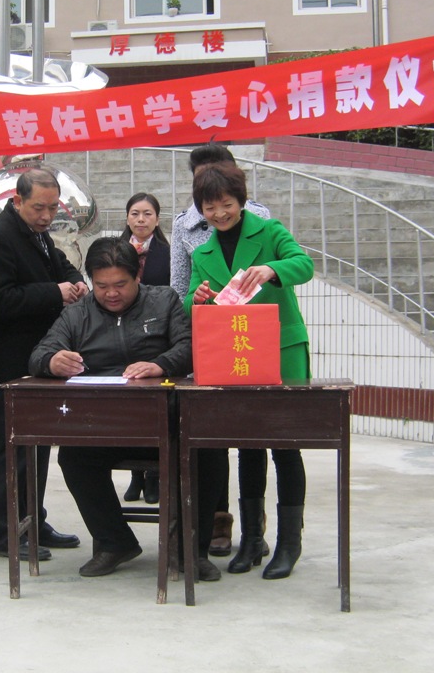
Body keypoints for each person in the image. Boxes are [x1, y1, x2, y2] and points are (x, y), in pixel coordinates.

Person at [29, 237, 227, 581]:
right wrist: (52, 361)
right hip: (106, 426)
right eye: (101, 286)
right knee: (73, 457)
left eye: (120, 284)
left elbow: (189, 346)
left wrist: (160, 364)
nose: (111, 293)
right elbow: (39, 354)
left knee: (209, 450)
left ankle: (192, 551)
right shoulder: (77, 314)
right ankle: (114, 542)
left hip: (167, 422)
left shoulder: (164, 300)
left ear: (137, 276)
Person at [185, 163, 314, 579]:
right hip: (236, 354)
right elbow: (189, 304)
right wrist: (198, 298)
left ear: (240, 200)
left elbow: (305, 265)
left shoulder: (270, 232)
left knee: (285, 445)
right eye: (210, 207)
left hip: (280, 350)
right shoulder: (202, 253)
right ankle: (252, 540)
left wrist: (274, 269)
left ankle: (289, 544)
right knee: (248, 445)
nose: (219, 213)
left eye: (226, 204)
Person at [0, 167, 85, 561]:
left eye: (53, 208)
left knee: (36, 449)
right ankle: (6, 533)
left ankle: (33, 520)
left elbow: (59, 264)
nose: (47, 216)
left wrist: (76, 280)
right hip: (8, 365)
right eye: (39, 208)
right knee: (8, 452)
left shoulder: (36, 234)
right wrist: (54, 293)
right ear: (17, 200)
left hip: (38, 361)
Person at [169, 143, 271, 558]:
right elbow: (180, 286)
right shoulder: (184, 225)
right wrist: (191, 309)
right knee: (210, 435)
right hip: (211, 340)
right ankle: (217, 520)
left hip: (253, 339)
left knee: (252, 436)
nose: (218, 208)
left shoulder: (260, 218)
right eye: (202, 178)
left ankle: (255, 529)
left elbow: (285, 270)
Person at [118, 192, 170, 505]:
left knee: (154, 408)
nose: (141, 219)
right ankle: (135, 475)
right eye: (135, 213)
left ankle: (154, 474)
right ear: (127, 217)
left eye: (147, 214)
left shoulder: (167, 252)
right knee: (129, 411)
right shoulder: (115, 250)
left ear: (157, 219)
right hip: (122, 334)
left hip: (155, 335)